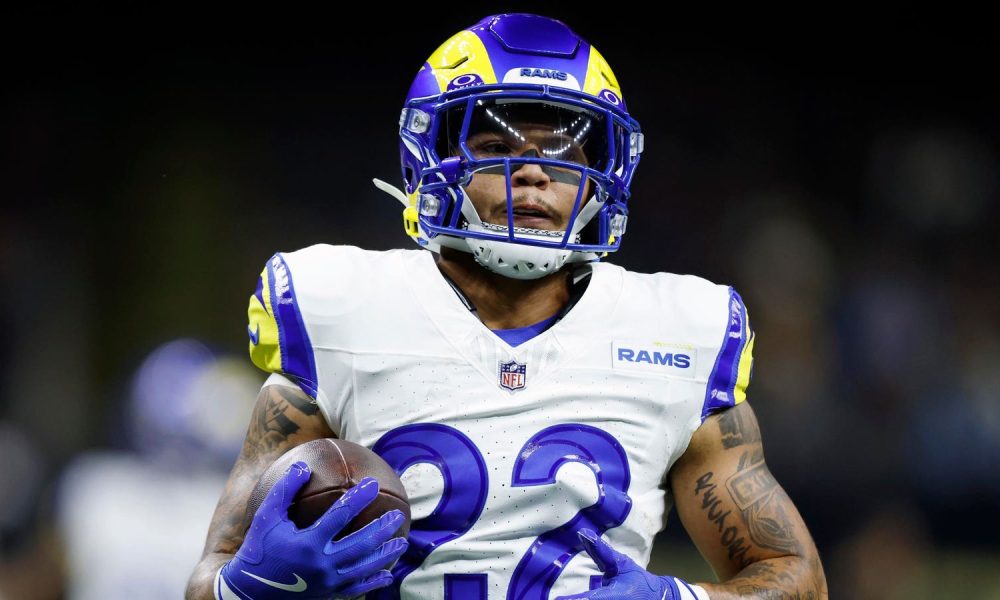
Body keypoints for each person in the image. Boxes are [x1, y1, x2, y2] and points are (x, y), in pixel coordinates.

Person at [187, 13, 828, 600]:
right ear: (432, 158)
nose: (535, 173)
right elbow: (208, 580)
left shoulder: (679, 331)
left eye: (565, 152)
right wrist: (250, 585)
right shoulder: (341, 308)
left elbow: (797, 577)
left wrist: (676, 599)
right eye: (497, 147)